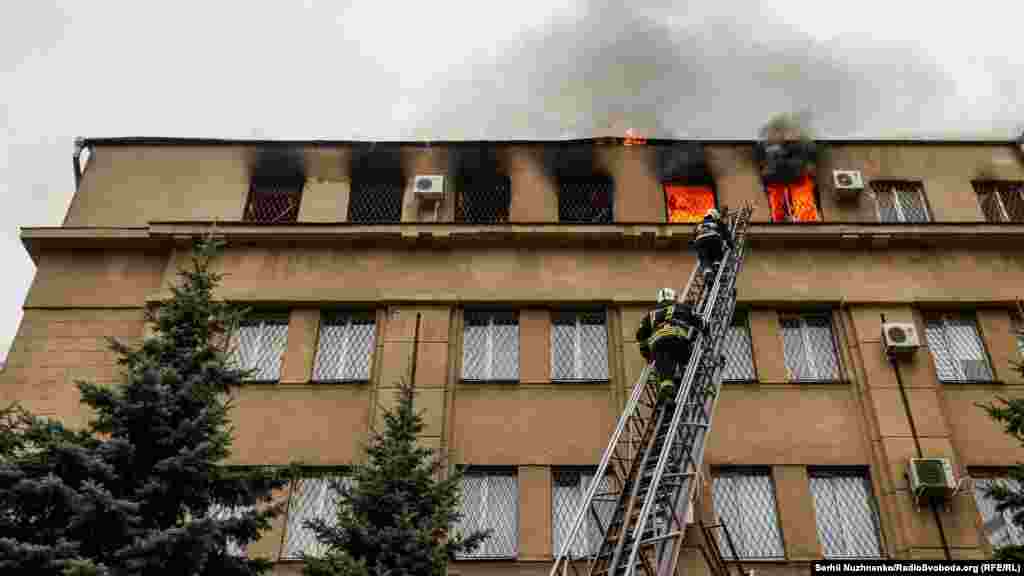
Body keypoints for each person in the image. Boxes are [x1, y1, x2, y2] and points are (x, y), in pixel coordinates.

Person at [636, 288, 708, 405]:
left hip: (659, 345)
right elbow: (699, 322)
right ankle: (682, 377)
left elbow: (640, 337)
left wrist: (647, 355)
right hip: (678, 340)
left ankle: (667, 392)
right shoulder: (682, 307)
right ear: (673, 297)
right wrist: (705, 329)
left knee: (663, 369)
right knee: (685, 359)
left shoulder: (650, 314)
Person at [693, 208, 735, 286]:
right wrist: (731, 245)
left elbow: (694, 237)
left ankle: (708, 274)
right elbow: (725, 233)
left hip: (700, 241)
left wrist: (696, 246)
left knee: (704, 258)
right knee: (717, 253)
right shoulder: (717, 222)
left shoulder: (699, 224)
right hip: (714, 239)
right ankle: (716, 264)